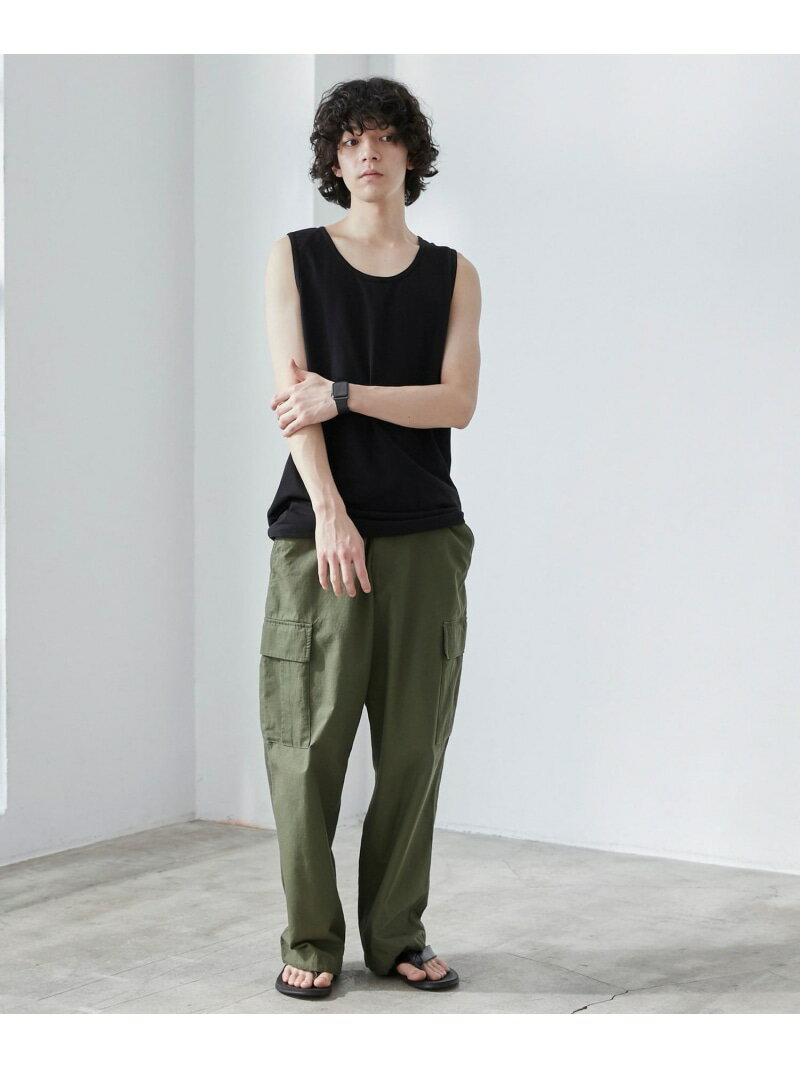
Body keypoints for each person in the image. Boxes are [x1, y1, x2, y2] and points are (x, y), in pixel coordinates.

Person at [259, 75, 481, 999]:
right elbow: (292, 400)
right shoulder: (297, 257)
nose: (368, 154)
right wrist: (330, 512)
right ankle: (311, 942)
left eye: (384, 137)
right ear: (333, 161)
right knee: (305, 749)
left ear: (410, 154)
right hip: (319, 537)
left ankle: (397, 935)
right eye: (350, 141)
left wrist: (345, 393)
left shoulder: (452, 274)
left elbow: (455, 403)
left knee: (414, 749)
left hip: (426, 534)